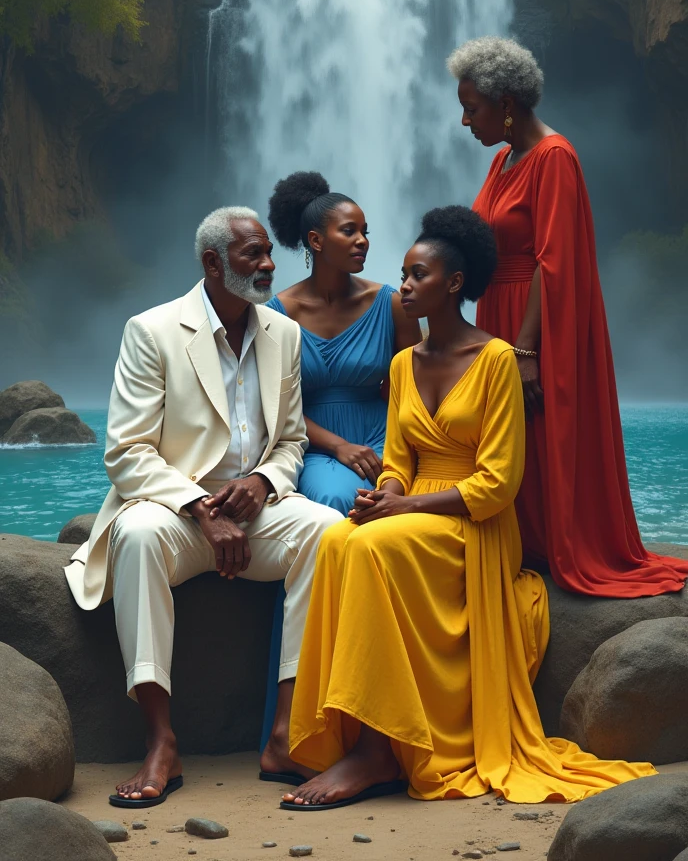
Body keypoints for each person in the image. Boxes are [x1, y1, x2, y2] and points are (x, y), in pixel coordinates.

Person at [280, 206, 655, 810]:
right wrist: (389, 492)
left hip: (472, 522)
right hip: (419, 510)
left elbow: (498, 485)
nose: (402, 286)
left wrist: (407, 510)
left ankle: (376, 752)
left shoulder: (498, 360)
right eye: (402, 275)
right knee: (340, 538)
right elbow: (399, 456)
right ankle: (356, 732)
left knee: (371, 546)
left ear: (453, 284)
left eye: (417, 276)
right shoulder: (404, 363)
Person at [64, 207, 342, 807]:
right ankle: (161, 742)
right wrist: (201, 509)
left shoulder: (283, 333)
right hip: (176, 513)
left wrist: (264, 482)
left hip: (255, 513)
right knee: (135, 536)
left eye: (270, 252)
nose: (269, 265)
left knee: (329, 531)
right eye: (253, 254)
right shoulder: (152, 330)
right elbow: (128, 452)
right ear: (213, 263)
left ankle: (285, 734)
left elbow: (292, 439)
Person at [446, 35, 688, 597]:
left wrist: (526, 351)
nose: (464, 121)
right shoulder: (505, 160)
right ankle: (523, 540)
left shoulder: (556, 157)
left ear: (506, 103)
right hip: (497, 317)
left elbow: (552, 262)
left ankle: (561, 543)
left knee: (540, 426)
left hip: (536, 322)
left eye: (471, 108)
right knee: (508, 438)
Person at [258, 171, 420, 751]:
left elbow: (412, 388)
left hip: (386, 437)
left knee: (400, 512)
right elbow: (277, 410)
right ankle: (312, 716)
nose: (363, 241)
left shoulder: (392, 304)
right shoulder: (278, 313)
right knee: (332, 503)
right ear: (315, 240)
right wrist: (339, 447)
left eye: (366, 232)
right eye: (349, 231)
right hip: (315, 439)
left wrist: (401, 457)